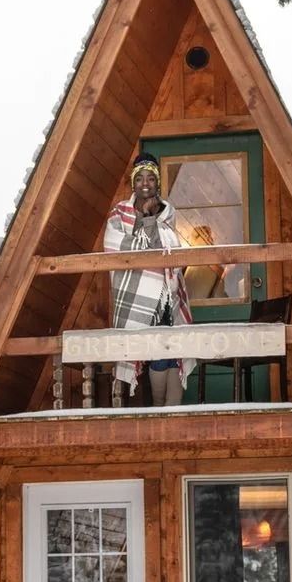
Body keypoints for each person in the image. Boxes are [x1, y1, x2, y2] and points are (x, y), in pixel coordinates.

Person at [104, 152, 197, 404]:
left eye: (151, 179)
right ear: (133, 184)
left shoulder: (167, 213)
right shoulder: (119, 214)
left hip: (166, 294)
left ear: (158, 183)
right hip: (137, 294)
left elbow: (172, 247)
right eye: (140, 179)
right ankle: (160, 407)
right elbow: (115, 248)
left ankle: (172, 410)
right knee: (156, 350)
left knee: (173, 350)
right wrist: (144, 221)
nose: (145, 183)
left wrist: (152, 221)